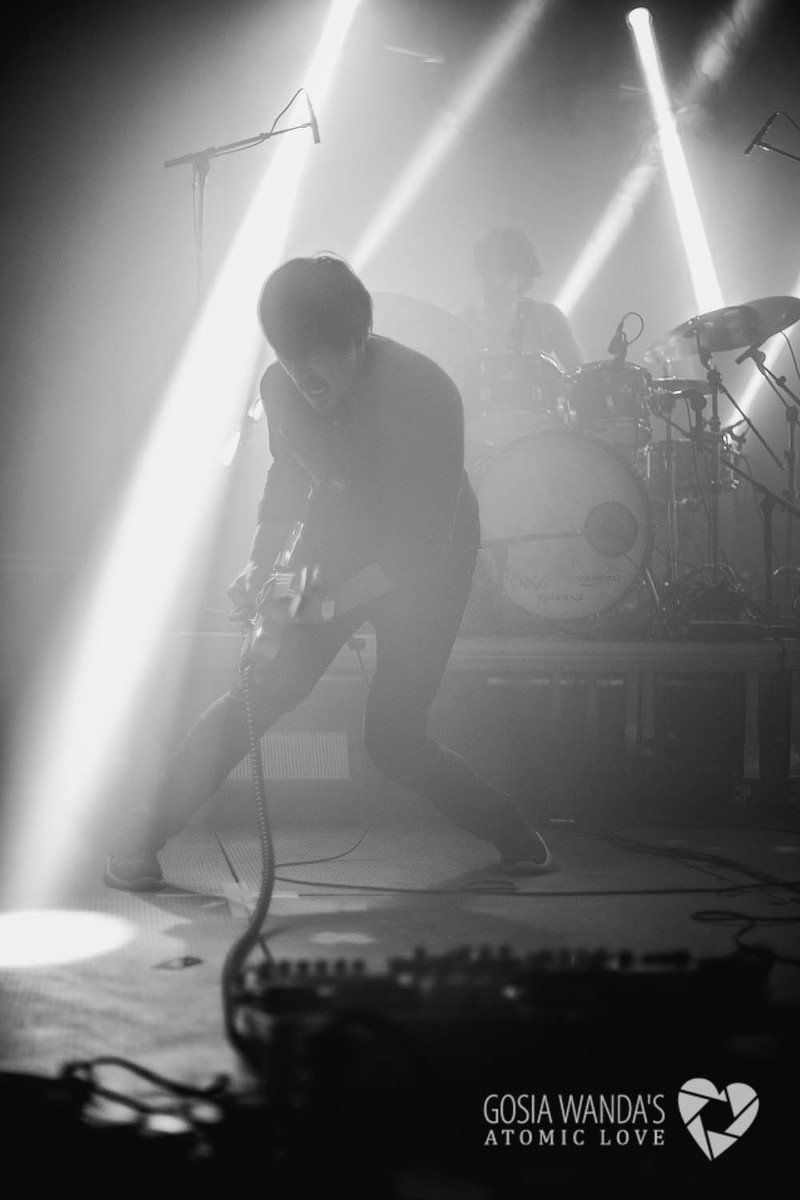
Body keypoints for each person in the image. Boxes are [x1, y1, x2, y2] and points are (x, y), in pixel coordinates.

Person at [104, 255, 552, 891]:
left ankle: (512, 830)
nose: (298, 373)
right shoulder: (280, 385)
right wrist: (262, 565)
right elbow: (289, 474)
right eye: (286, 354)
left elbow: (414, 550)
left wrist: (319, 607)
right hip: (332, 541)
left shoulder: (425, 392)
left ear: (358, 339)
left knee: (393, 737)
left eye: (313, 355)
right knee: (253, 695)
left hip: (431, 561)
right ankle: (141, 838)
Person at [463, 226, 582, 371]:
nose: (497, 281)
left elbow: (580, 377)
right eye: (490, 271)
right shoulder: (455, 323)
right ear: (480, 271)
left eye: (507, 273)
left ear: (523, 276)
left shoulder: (548, 318)